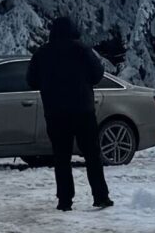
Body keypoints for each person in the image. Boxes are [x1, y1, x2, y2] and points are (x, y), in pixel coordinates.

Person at [30, 14, 112, 211]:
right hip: (83, 110)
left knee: (61, 157)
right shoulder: (82, 51)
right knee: (92, 154)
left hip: (55, 113)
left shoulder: (42, 53)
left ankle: (65, 200)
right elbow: (97, 74)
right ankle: (100, 196)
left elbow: (31, 80)